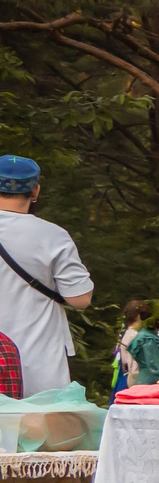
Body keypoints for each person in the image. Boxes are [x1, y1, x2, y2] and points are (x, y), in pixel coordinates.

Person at [0, 155, 96, 397]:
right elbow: (80, 299)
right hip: (37, 359)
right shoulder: (53, 236)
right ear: (35, 190)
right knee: (37, 432)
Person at [113, 300, 159, 393]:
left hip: (129, 377)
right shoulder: (138, 337)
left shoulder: (128, 333)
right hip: (137, 377)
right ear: (139, 316)